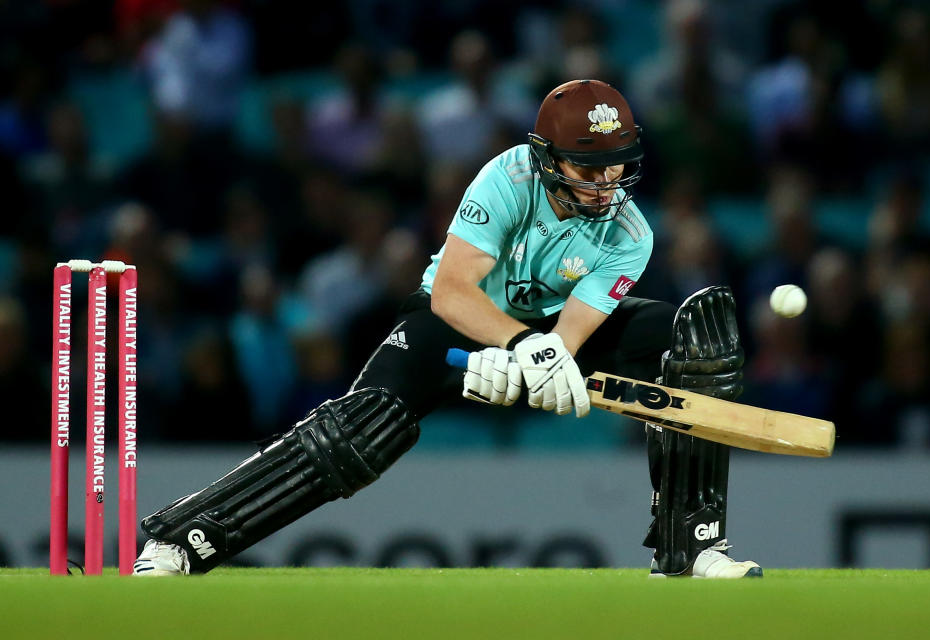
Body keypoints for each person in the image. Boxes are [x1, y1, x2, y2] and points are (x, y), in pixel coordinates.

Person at [133, 79, 760, 578]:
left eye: (616, 168)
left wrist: (547, 359)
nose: (605, 186)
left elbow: (571, 333)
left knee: (694, 334)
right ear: (546, 160)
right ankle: (178, 542)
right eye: (586, 169)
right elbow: (454, 290)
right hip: (451, 321)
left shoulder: (631, 234)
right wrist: (517, 344)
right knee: (359, 434)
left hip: (546, 335)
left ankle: (690, 547)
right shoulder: (509, 177)